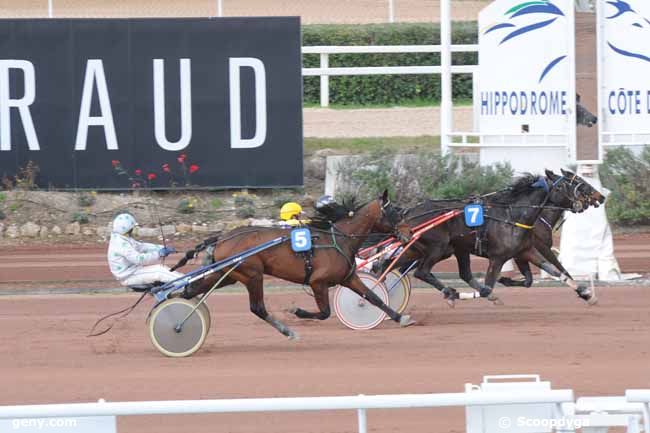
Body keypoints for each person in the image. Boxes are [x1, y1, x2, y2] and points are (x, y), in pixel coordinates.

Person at [107, 213, 182, 287]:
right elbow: (139, 259)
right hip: (128, 276)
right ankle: (186, 282)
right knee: (158, 271)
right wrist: (159, 254)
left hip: (134, 271)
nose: (134, 229)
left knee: (160, 269)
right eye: (133, 228)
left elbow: (142, 246)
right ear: (128, 230)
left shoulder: (122, 238)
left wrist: (162, 247)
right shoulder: (120, 244)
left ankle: (185, 281)